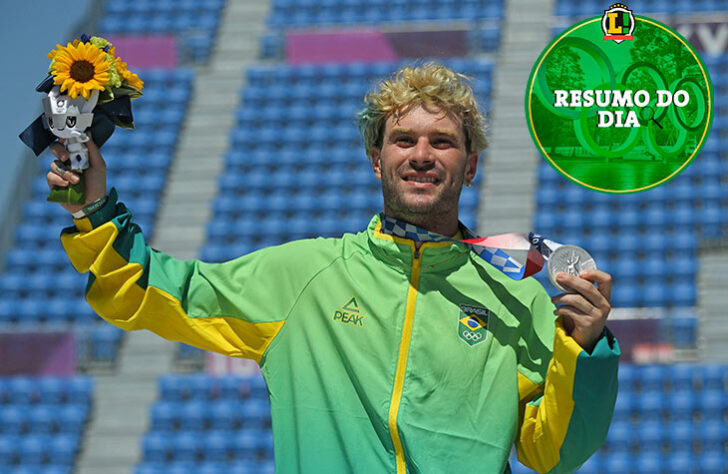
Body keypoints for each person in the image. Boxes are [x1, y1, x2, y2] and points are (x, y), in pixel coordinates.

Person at [47, 62, 619, 473]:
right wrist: (95, 210)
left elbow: (554, 454)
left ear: (470, 167)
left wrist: (585, 351)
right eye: (403, 140)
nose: (421, 155)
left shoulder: (520, 300)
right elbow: (154, 291)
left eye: (443, 142)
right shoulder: (306, 275)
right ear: (377, 160)